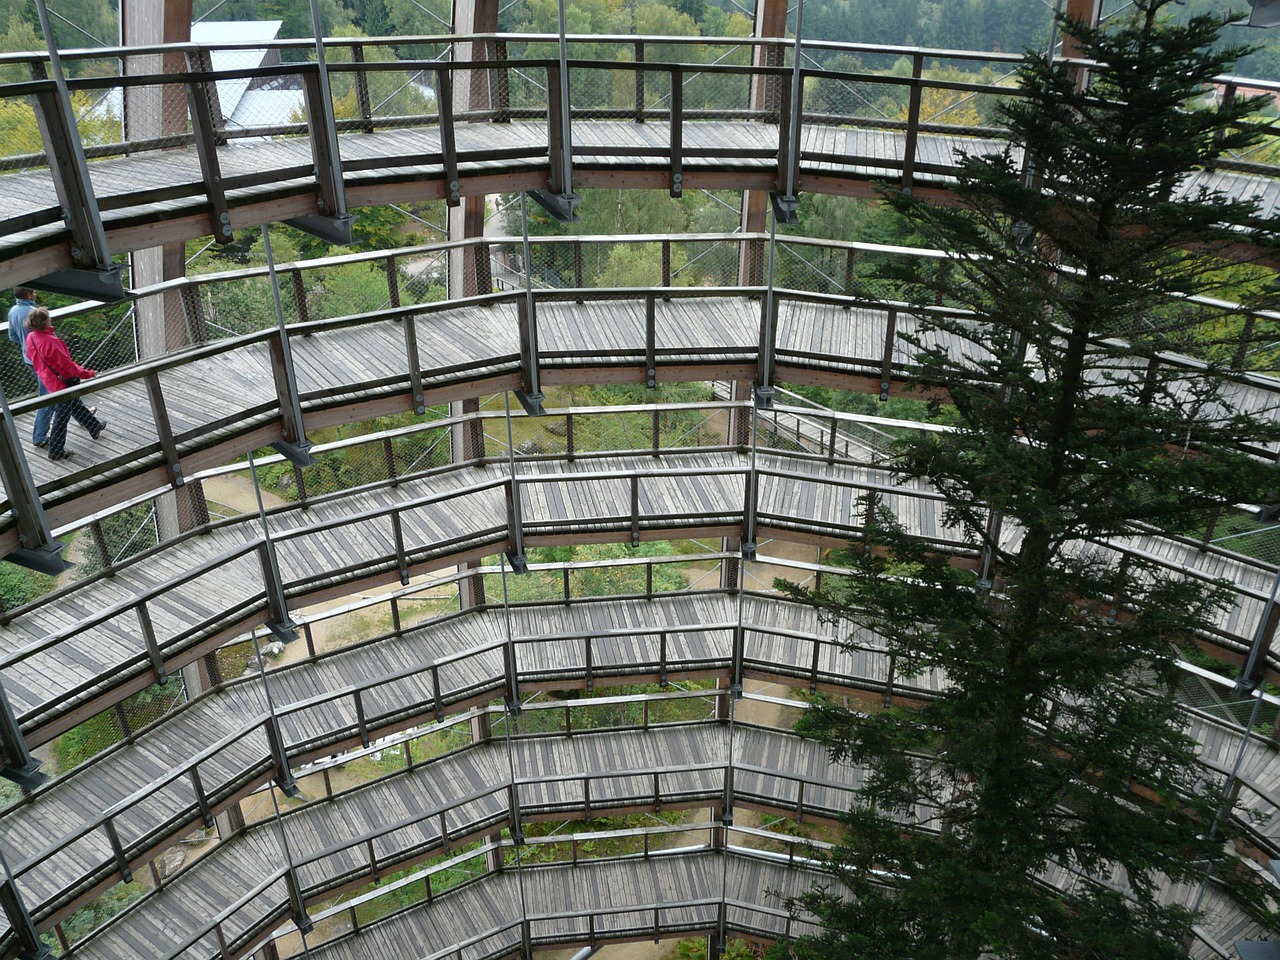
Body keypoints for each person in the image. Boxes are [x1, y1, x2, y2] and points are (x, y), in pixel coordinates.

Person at [24, 307, 106, 462]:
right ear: (45, 321)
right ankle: (56, 450)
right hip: (61, 383)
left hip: (47, 379)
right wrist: (87, 374)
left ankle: (94, 426)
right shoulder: (52, 342)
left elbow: (32, 357)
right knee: (62, 417)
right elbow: (68, 367)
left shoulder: (31, 338)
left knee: (74, 403)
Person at [7, 287, 52, 447]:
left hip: (29, 359)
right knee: (49, 396)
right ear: (29, 295)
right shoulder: (35, 313)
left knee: (58, 389)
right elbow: (48, 336)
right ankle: (39, 436)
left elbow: (12, 336)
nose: (35, 294)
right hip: (44, 360)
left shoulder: (13, 311)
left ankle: (89, 421)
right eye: (33, 292)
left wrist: (27, 346)